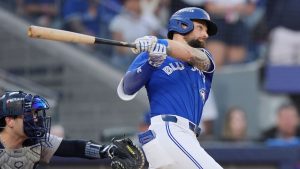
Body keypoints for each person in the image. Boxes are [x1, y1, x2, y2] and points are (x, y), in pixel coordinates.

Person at [117, 7, 222, 169]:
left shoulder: (203, 57)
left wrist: (159, 43)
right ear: (182, 26)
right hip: (169, 130)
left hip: (188, 136)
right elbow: (126, 89)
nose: (205, 34)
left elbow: (188, 53)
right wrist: (150, 64)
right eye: (200, 27)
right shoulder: (150, 54)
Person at [0, 91, 142, 169]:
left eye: (36, 114)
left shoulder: (37, 142)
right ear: (9, 121)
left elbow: (75, 147)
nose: (36, 119)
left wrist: (106, 150)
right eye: (29, 114)